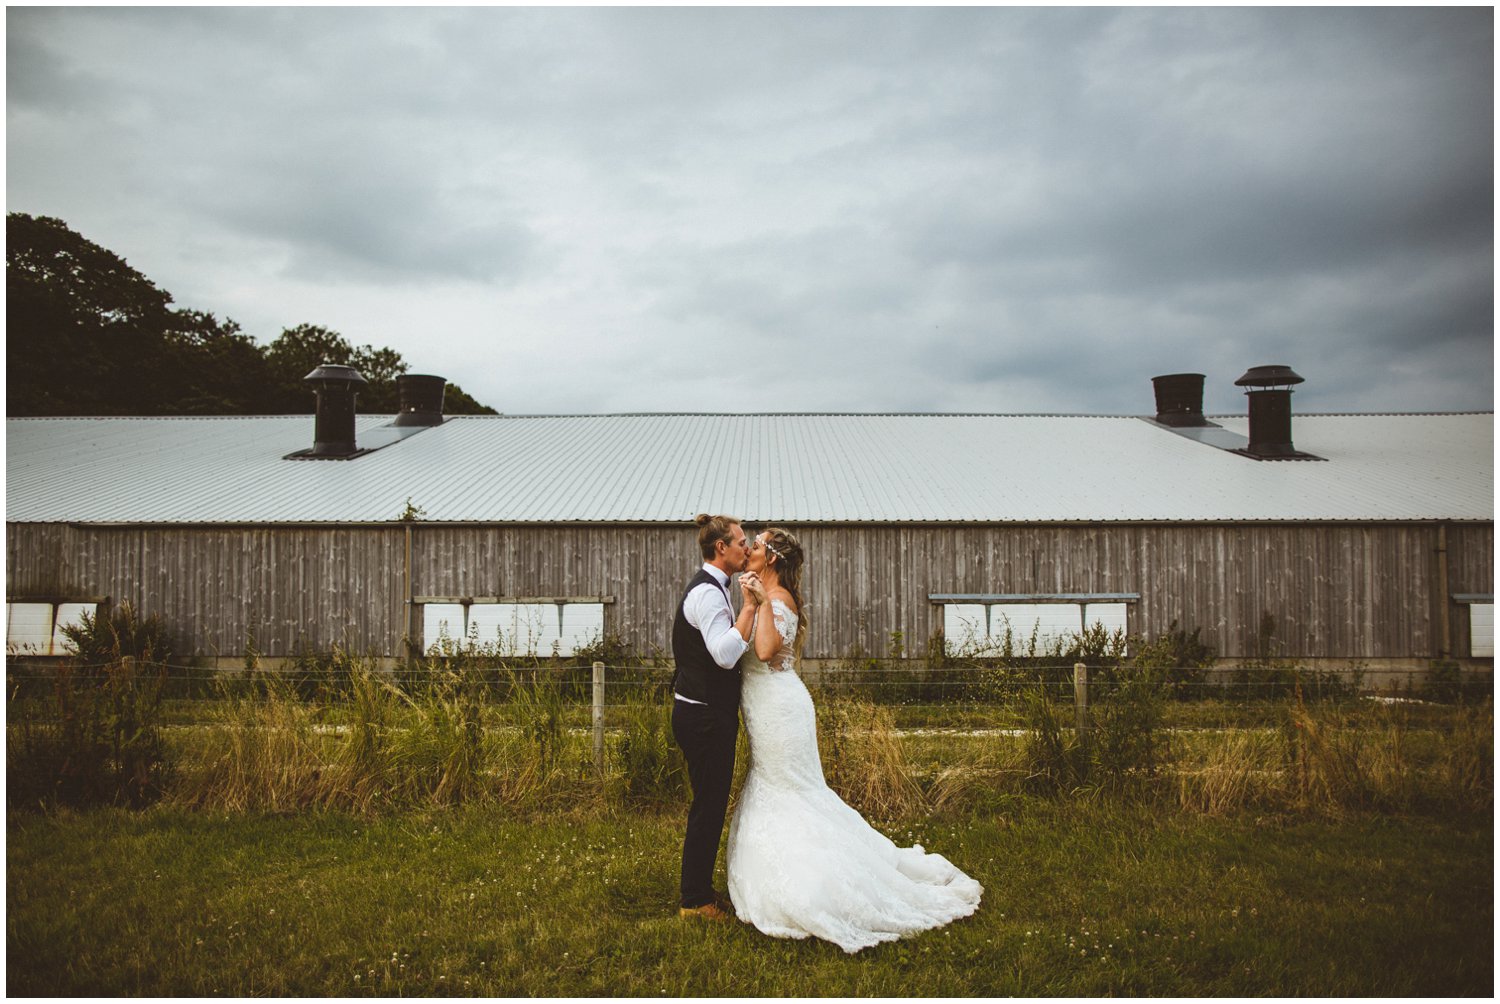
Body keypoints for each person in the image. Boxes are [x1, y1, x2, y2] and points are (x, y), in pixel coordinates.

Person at [726, 527, 982, 953]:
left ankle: (816, 882)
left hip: (779, 708)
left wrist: (754, 602)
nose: (749, 546)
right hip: (765, 705)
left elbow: (767, 651)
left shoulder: (777, 600)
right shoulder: (765, 596)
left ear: (770, 557)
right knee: (783, 787)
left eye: (756, 542)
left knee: (792, 791)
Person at [671, 513, 759, 920]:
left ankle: (699, 891)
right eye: (741, 541)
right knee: (708, 805)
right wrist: (750, 608)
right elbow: (724, 655)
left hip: (706, 713)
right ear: (720, 547)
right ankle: (695, 901)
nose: (747, 547)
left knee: (709, 802)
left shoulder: (715, 587)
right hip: (704, 717)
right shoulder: (707, 594)